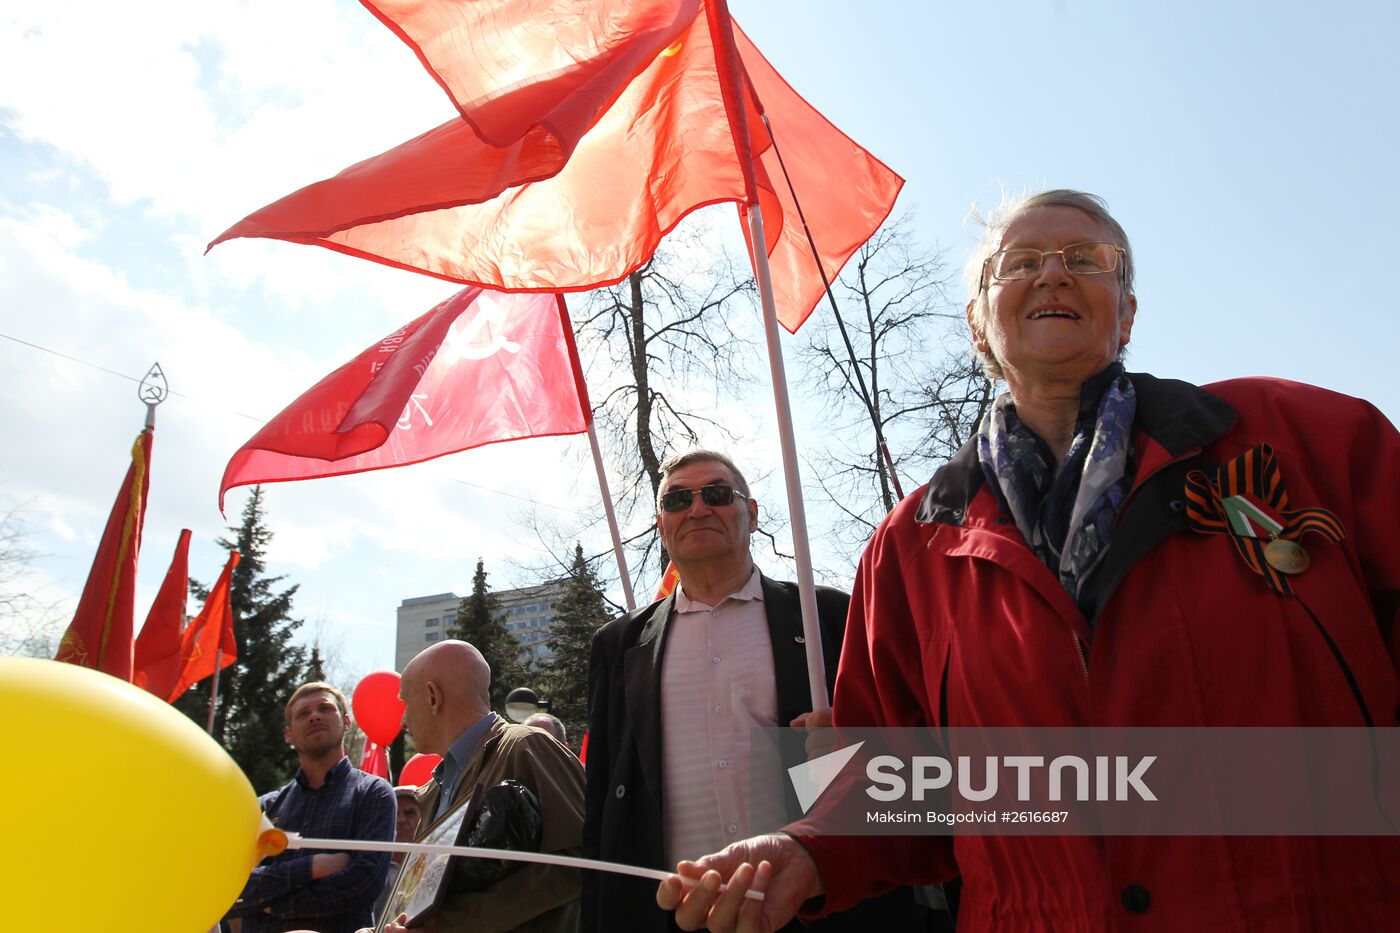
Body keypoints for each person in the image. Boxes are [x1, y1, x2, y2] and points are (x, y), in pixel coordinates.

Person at [657, 189, 1400, 931]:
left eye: (1086, 259)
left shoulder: (1312, 442)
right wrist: (808, 850)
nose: (1054, 274)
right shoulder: (908, 549)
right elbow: (893, 786)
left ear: (1127, 311)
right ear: (980, 323)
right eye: (1020, 263)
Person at [585, 450, 928, 932]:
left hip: (815, 908)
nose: (698, 508)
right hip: (671, 914)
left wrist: (855, 745)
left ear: (751, 513)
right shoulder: (618, 646)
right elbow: (601, 804)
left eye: (718, 494)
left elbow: (909, 756)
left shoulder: (829, 617)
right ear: (662, 525)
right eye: (678, 499)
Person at [382, 639, 585, 933]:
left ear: (432, 696)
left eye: (405, 702)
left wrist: (449, 923)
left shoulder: (526, 747)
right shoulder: (433, 790)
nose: (403, 719)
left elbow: (580, 862)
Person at [225, 681, 396, 933]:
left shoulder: (374, 793)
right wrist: (312, 866)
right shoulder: (263, 808)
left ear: (346, 722)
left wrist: (273, 905)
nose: (314, 716)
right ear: (288, 735)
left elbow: (364, 883)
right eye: (303, 713)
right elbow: (231, 888)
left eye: (325, 708)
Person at [371, 786, 423, 920]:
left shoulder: (433, 865)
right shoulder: (368, 869)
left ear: (423, 818)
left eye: (409, 813)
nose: (400, 820)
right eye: (393, 813)